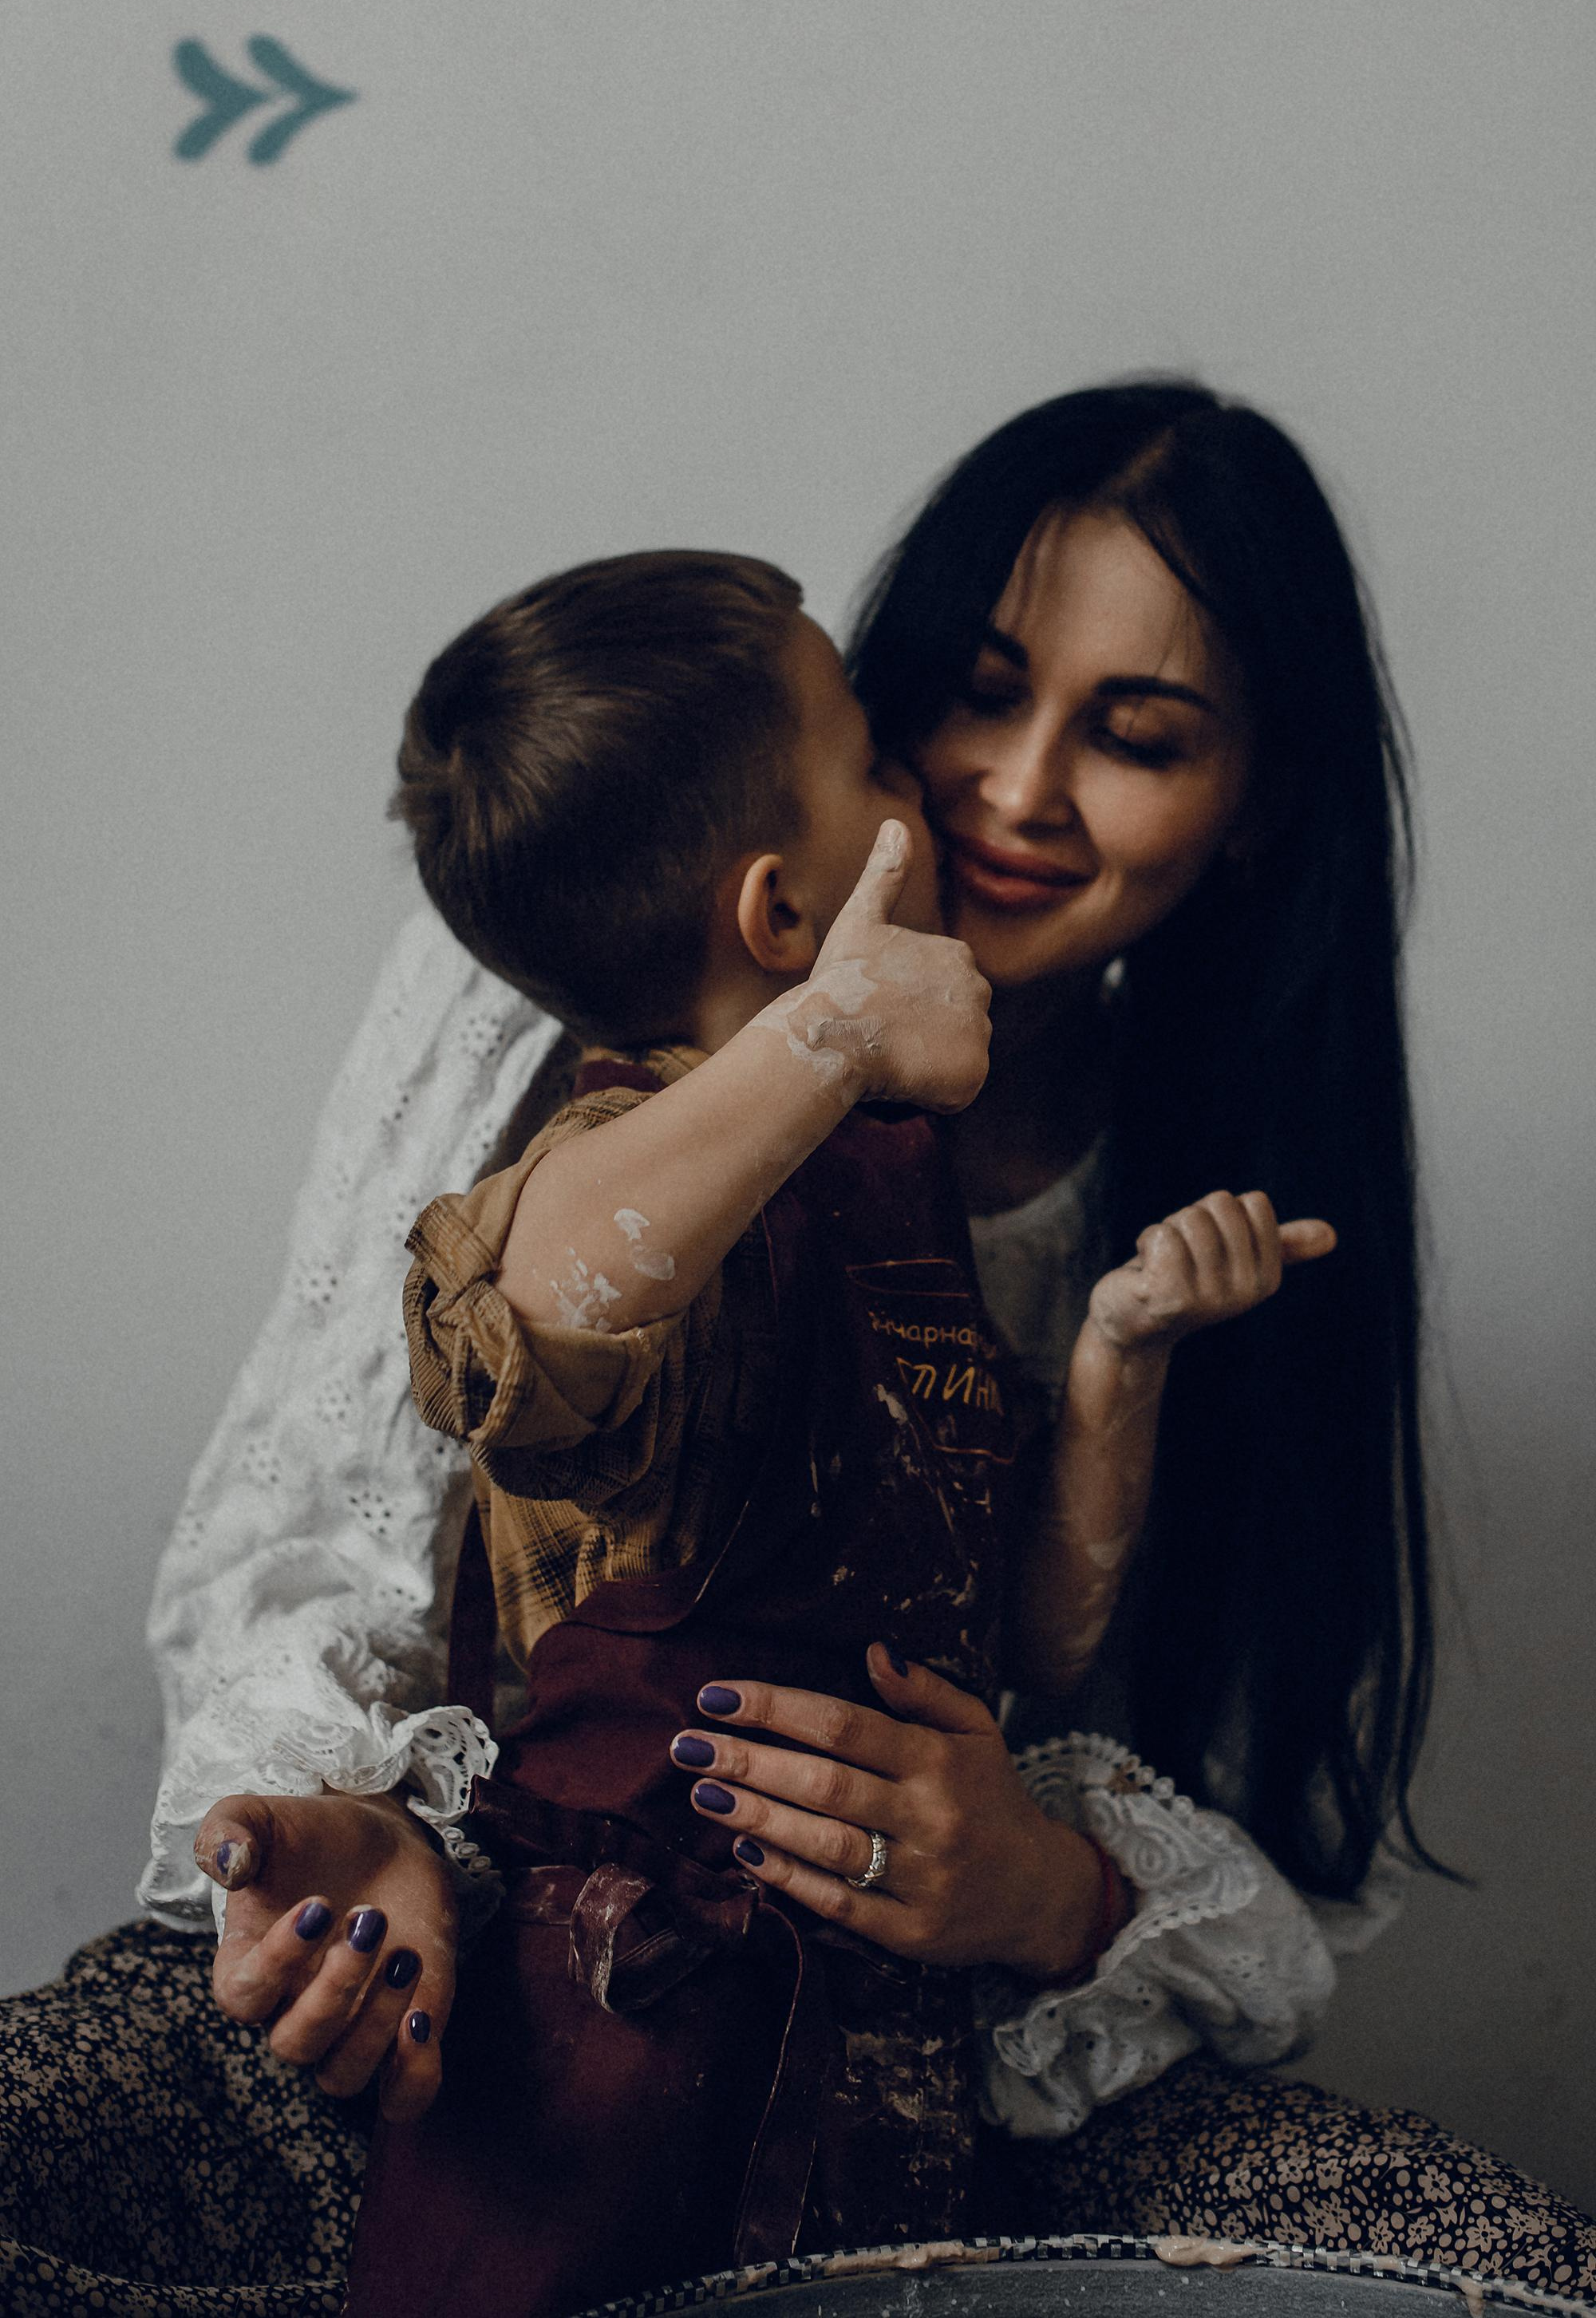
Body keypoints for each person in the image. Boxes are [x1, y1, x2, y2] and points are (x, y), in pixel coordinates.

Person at [3, 381, 1593, 2318]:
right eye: (967, 697)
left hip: (939, 2062)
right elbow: (354, 1488)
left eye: (1136, 735)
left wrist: (1051, 1890)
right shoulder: (591, 964)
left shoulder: (1225, 1184)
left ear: (1257, 798)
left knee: (1492, 2270)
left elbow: (1132, 1702)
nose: (1010, 793)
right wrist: (357, 1833)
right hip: (476, 1960)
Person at [330, 548, 1331, 2315]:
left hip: (864, 2025)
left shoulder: (895, 1188)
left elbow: (1020, 1629)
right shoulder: (622, 1160)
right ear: (787, 920)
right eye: (884, 754)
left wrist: (1114, 1365)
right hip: (614, 2004)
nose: (952, 791)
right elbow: (525, 1310)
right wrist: (835, 1034)